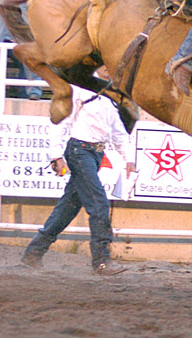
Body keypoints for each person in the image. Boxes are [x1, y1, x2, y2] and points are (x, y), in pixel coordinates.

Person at [21, 71, 132, 275]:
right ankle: (101, 260)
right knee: (98, 203)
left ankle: (34, 252)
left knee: (68, 208)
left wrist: (129, 159)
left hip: (91, 153)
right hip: (80, 151)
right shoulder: (81, 90)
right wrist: (55, 155)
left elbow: (119, 133)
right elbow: (62, 122)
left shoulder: (110, 94)